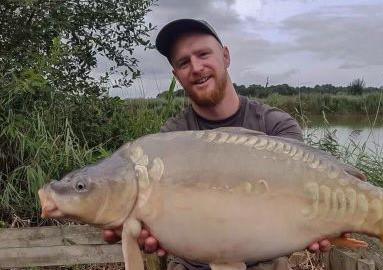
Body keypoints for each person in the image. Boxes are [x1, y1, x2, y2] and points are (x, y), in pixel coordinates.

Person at [103, 18, 344, 270]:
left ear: (226, 57)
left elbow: (301, 196)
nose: (196, 67)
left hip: (265, 262)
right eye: (183, 62)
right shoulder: (171, 138)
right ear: (177, 75)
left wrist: (320, 222)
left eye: (203, 54)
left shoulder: (276, 126)